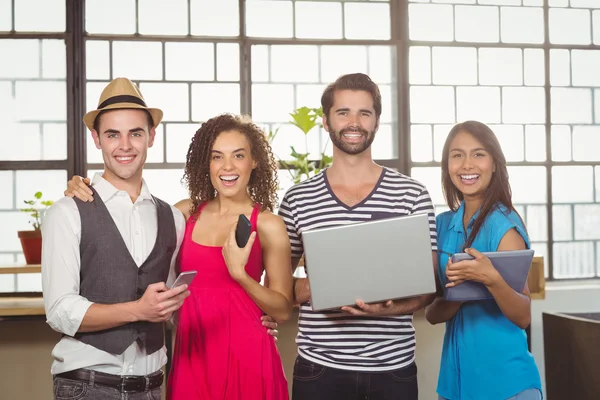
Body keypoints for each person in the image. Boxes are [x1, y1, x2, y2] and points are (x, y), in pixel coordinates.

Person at [65, 114, 293, 400]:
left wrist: (240, 275)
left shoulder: (268, 225)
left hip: (249, 355)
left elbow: (283, 309)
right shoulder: (184, 214)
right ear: (206, 164)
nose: (228, 167)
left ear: (254, 161)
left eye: (238, 155)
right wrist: (86, 188)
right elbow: (130, 219)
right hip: (191, 357)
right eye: (217, 157)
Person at [277, 72, 438, 400]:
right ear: (325, 121)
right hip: (318, 368)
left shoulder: (412, 194)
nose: (354, 122)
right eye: (343, 112)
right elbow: (278, 289)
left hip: (393, 369)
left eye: (364, 113)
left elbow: (428, 287)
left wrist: (385, 310)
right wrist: (319, 285)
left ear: (377, 122)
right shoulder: (297, 198)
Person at [42, 77, 190, 400]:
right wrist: (138, 309)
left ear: (151, 136)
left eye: (135, 133)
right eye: (113, 134)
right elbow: (60, 310)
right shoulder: (66, 213)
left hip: (152, 388)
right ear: (96, 139)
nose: (125, 146)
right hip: (88, 387)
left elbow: (171, 304)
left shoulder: (173, 219)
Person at [424, 121, 542, 400]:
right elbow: (431, 314)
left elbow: (522, 316)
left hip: (506, 384)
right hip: (455, 385)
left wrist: (490, 279)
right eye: (457, 155)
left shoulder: (505, 226)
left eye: (478, 154)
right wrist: (461, 291)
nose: (467, 165)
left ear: (494, 164)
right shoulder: (441, 225)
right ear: (447, 166)